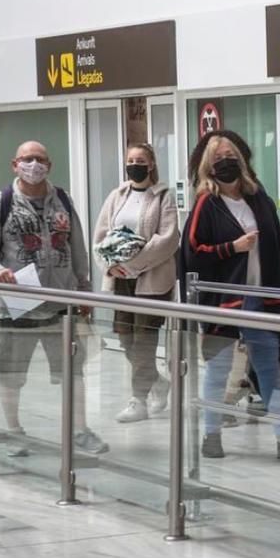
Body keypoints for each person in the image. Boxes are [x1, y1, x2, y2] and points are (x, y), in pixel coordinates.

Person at [0, 141, 108, 455]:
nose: (34, 164)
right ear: (14, 164)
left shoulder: (62, 200)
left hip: (61, 305)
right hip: (17, 307)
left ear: (50, 164)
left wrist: (84, 290)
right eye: (28, 159)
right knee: (10, 372)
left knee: (73, 369)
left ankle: (80, 431)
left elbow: (77, 249)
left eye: (40, 159)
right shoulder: (0, 203)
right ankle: (14, 432)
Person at [182, 132, 280, 462]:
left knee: (268, 366)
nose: (226, 161)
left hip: (260, 296)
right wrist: (231, 248)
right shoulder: (206, 204)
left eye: (230, 155)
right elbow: (192, 253)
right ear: (209, 165)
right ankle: (211, 433)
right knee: (219, 369)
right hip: (224, 300)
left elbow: (272, 244)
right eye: (218, 157)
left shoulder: (258, 199)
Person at [93, 143, 180, 423]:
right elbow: (101, 235)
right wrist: (110, 264)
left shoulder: (163, 196)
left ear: (151, 164)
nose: (134, 164)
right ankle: (158, 383)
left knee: (144, 341)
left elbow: (167, 240)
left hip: (153, 282)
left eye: (140, 160)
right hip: (120, 281)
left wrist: (133, 265)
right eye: (130, 160)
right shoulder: (117, 195)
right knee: (127, 341)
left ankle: (138, 399)